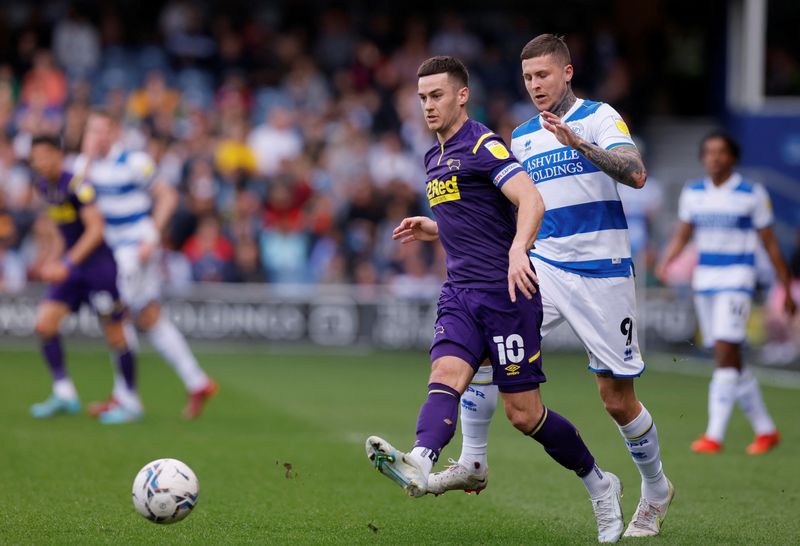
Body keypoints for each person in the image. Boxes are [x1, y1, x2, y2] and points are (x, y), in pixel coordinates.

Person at [365, 56, 625, 544]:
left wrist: (517, 252)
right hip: (460, 293)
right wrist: (436, 228)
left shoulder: (483, 144)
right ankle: (420, 460)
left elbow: (531, 200)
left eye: (437, 95)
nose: (428, 106)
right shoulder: (432, 158)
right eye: (422, 98)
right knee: (445, 375)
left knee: (524, 415)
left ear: (462, 95)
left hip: (506, 297)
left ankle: (600, 484)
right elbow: (477, 221)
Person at [428, 35, 674, 539]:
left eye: (543, 75)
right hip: (543, 267)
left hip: (602, 273)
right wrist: (440, 226)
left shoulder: (600, 118)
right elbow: (509, 207)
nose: (535, 85)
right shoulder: (520, 135)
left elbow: (637, 172)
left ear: (566, 72)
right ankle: (473, 461)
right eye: (527, 78)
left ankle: (655, 488)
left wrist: (579, 144)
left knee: (616, 399)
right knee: (481, 350)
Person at [656, 131, 796, 455]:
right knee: (730, 358)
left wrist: (785, 287)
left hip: (737, 280)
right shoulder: (693, 193)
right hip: (705, 282)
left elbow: (771, 243)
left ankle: (713, 435)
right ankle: (766, 430)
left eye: (720, 152)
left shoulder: (751, 193)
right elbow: (684, 233)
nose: (714, 158)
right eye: (708, 152)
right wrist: (667, 260)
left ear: (733, 157)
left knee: (723, 352)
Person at [73, 110, 217, 419]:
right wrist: (86, 157)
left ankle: (127, 398)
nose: (96, 136)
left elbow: (167, 197)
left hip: (134, 250)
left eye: (101, 130)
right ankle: (198, 381)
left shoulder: (134, 162)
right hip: (114, 252)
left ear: (113, 131)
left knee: (116, 318)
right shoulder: (86, 166)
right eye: (91, 130)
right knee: (149, 317)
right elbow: (74, 197)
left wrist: (152, 234)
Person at [27, 135, 142, 424]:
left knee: (115, 334)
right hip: (73, 269)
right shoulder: (45, 186)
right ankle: (64, 393)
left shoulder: (77, 185)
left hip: (99, 269)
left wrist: (66, 262)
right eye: (35, 157)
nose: (40, 162)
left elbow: (96, 230)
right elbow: (60, 230)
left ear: (58, 155)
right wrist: (51, 259)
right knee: (45, 324)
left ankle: (130, 401)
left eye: (44, 156)